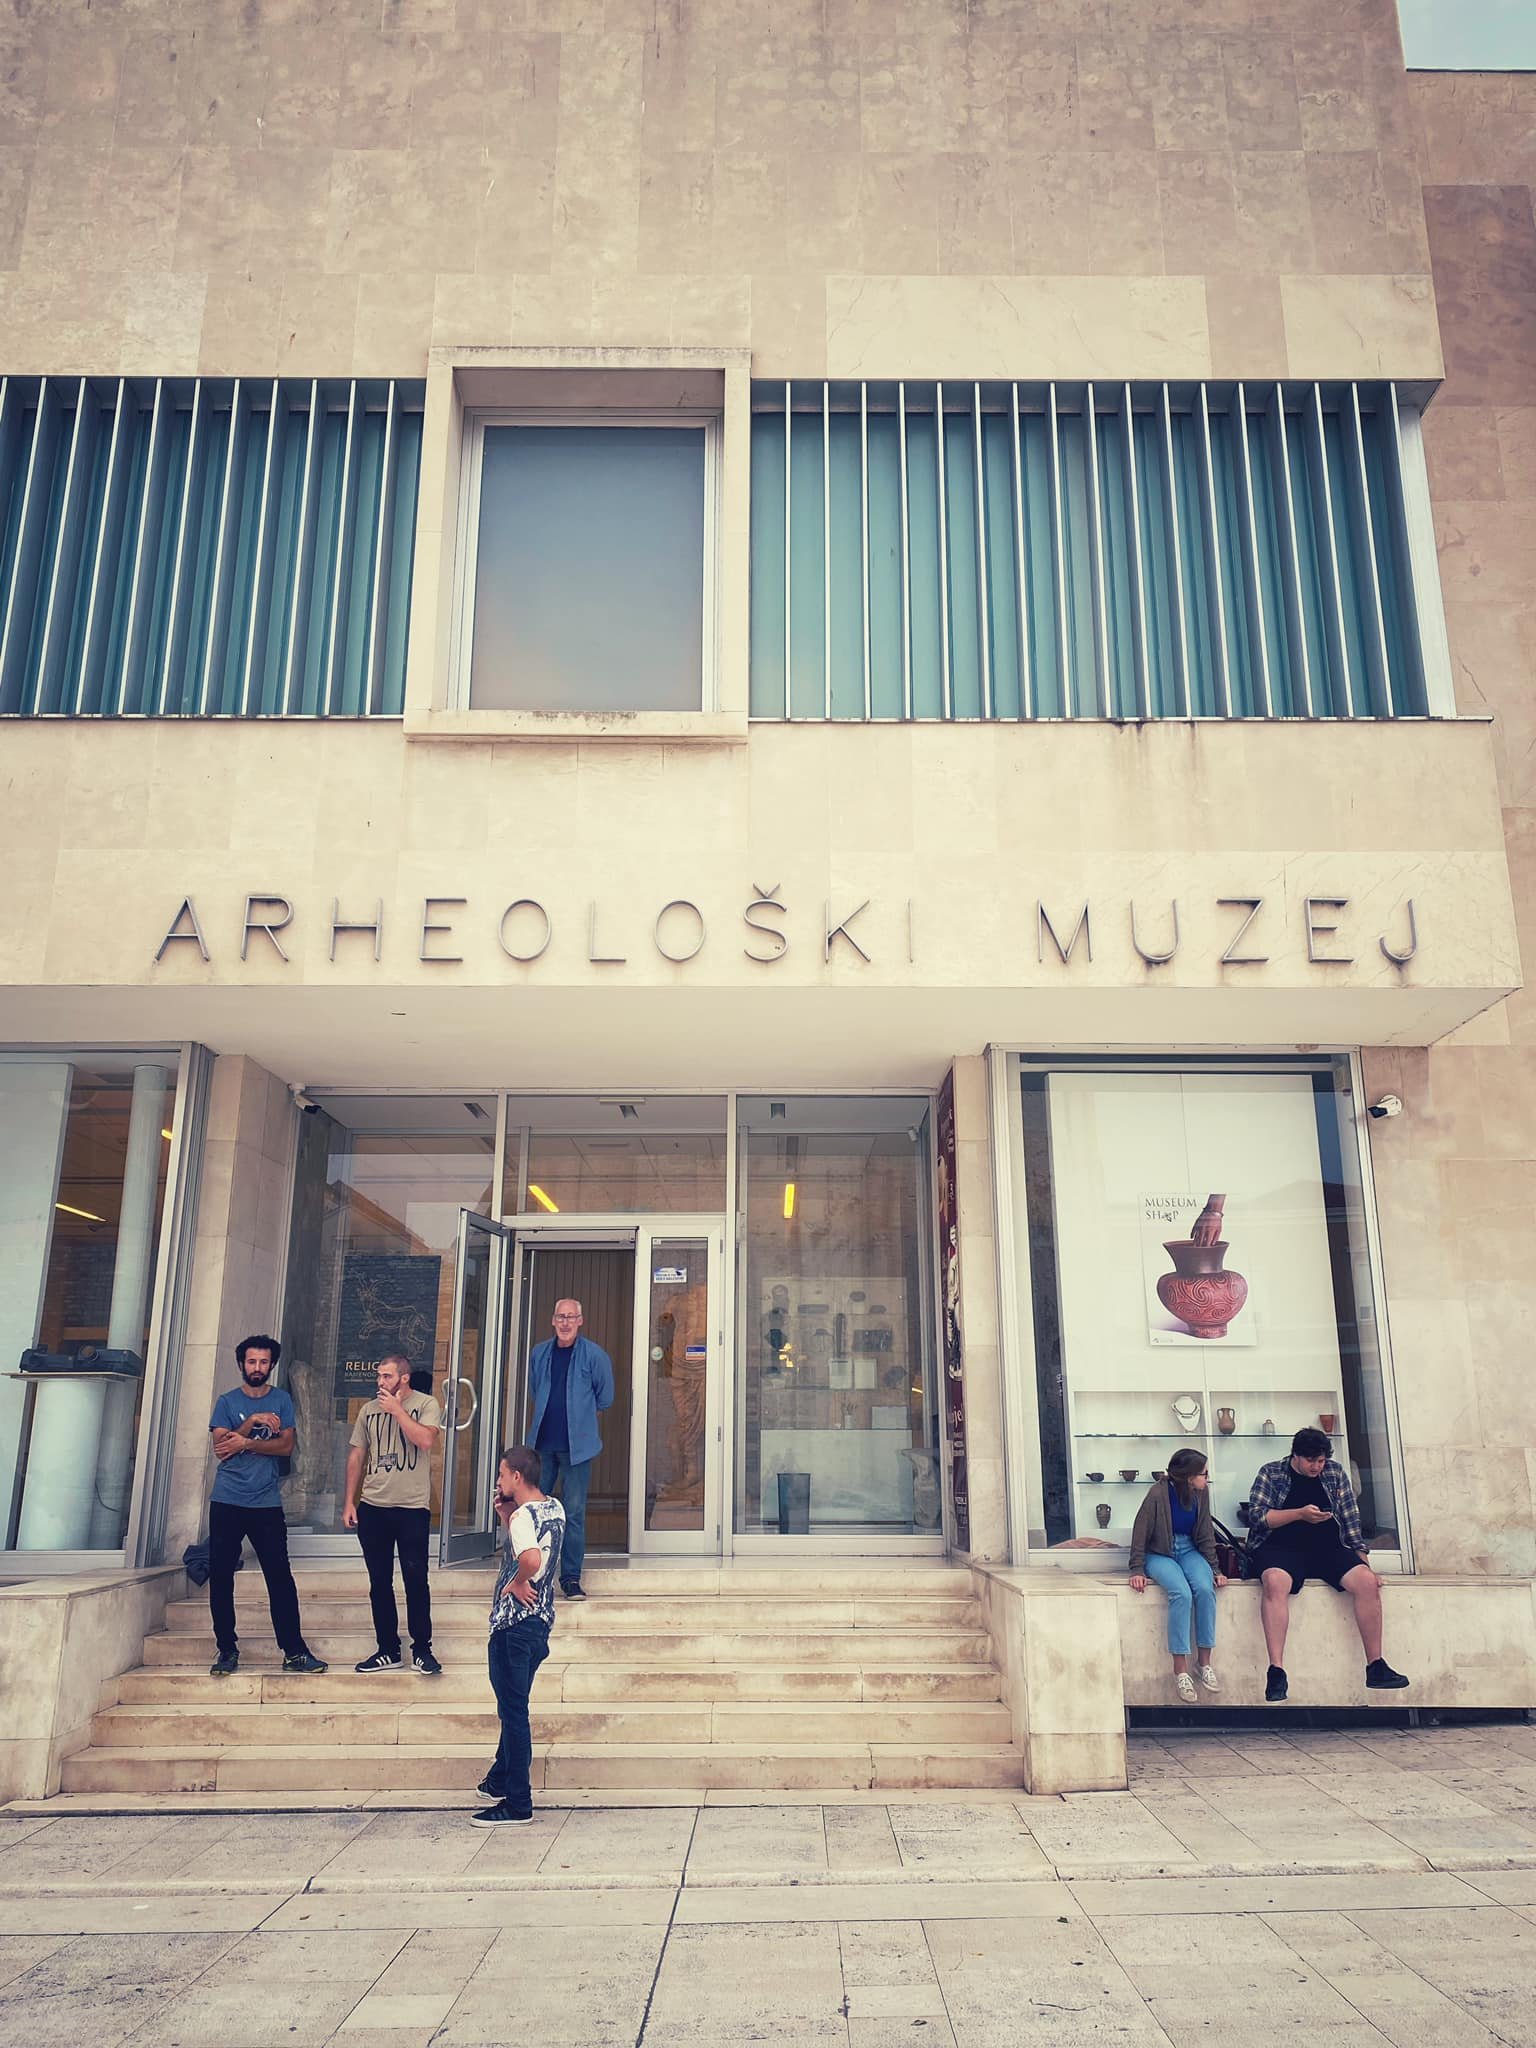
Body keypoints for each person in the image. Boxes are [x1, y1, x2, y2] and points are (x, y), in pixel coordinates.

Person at [1247, 1426, 1409, 1702]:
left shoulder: (1334, 1473)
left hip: (1327, 1547)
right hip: (1281, 1547)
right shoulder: (1271, 1472)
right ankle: (1276, 1671)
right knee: (1275, 1582)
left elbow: (1350, 1518)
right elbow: (1258, 1517)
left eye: (1321, 1461)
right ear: (1295, 1456)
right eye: (1311, 1461)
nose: (1317, 1467)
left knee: (1367, 1583)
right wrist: (1298, 1514)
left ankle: (1376, 1666)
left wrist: (1364, 1562)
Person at [206, 1334, 325, 1678]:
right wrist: (250, 1424)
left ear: (271, 1365)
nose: (257, 1368)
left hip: (266, 1502)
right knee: (221, 1576)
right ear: (241, 1364)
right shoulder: (227, 1402)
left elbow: (286, 1447)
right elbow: (221, 1448)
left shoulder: (282, 1400)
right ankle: (226, 1649)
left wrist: (244, 1442)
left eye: (263, 1362)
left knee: (280, 1578)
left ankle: (294, 1651)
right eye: (251, 1361)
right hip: (227, 1500)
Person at [471, 1445, 566, 1827]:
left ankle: (518, 1802)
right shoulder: (553, 1508)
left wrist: (517, 1581)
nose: (497, 1480)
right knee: (514, 1704)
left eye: (501, 1473)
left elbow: (531, 1558)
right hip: (540, 1622)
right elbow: (540, 1545)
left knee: (513, 1713)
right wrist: (507, 1517)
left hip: (513, 1626)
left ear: (516, 1478)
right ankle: (498, 1779)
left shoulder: (523, 1518)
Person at [343, 1351, 443, 1677]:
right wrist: (349, 1502)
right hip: (374, 1507)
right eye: (378, 1376)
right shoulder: (368, 1411)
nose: (380, 1382)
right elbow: (357, 1457)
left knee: (416, 1579)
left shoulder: (426, 1404)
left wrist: (398, 1410)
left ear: (404, 1378)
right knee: (379, 1582)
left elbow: (426, 1440)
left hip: (412, 1507)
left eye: (386, 1376)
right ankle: (387, 1649)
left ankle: (422, 1649)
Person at [527, 1298, 613, 1600]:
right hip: (543, 1447)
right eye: (560, 1317)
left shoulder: (594, 1355)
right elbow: (536, 1389)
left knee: (573, 1514)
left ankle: (571, 1578)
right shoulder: (539, 1353)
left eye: (571, 1317)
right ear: (553, 1320)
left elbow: (606, 1397)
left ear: (580, 1320)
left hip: (578, 1449)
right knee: (536, 1513)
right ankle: (534, 1576)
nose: (565, 1322)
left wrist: (582, 1419)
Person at [1129, 1447, 1226, 1702]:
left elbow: (1205, 1532)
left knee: (1205, 1590)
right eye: (1203, 1474)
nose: (1206, 1478)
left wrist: (1215, 1569)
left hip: (1189, 1549)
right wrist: (1136, 1568)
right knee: (1181, 1594)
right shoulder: (1158, 1494)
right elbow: (1141, 1530)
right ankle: (1180, 1670)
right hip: (1160, 1553)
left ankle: (1204, 1664)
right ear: (1188, 1475)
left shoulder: (1201, 1495)